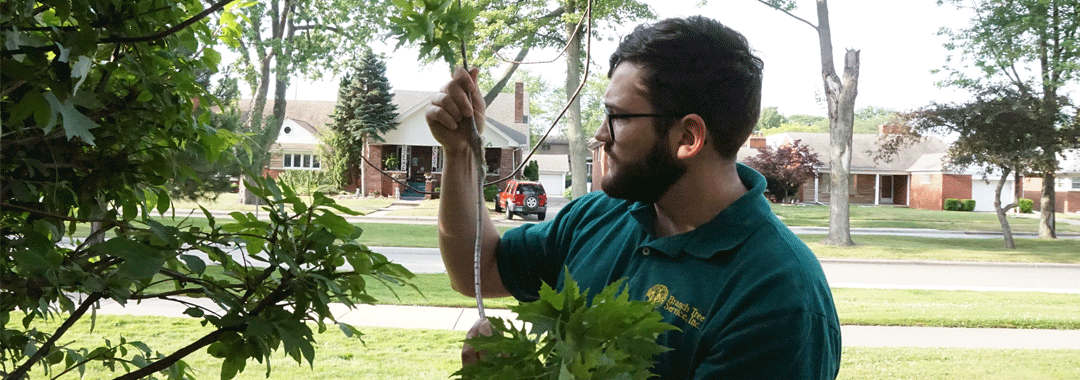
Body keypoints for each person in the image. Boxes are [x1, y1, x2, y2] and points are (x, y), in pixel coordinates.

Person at [426, 15, 841, 379]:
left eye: (619, 117)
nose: (601, 135)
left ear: (688, 137)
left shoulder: (778, 300)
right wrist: (461, 152)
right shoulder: (600, 216)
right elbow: (476, 269)